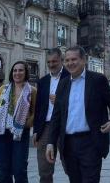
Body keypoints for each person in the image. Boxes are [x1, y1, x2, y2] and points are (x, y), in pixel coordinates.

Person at [46, 46, 110, 183]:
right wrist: (50, 142)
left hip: (90, 142)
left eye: (74, 59)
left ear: (83, 60)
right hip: (68, 144)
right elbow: (56, 116)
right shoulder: (62, 84)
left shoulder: (97, 80)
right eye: (67, 60)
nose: (70, 63)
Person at [0, 61, 37, 183]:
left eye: (21, 70)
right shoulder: (2, 89)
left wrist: (26, 123)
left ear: (26, 72)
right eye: (15, 70)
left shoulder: (32, 91)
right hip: (1, 133)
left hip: (21, 134)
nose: (17, 73)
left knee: (19, 169)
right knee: (3, 169)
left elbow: (37, 112)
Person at [32, 48, 69, 183]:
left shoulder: (70, 76)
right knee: (44, 169)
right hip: (46, 126)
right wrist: (36, 130)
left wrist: (61, 100)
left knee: (70, 165)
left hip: (65, 125)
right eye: (49, 62)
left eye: (54, 61)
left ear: (61, 60)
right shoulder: (43, 81)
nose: (51, 64)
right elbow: (39, 107)